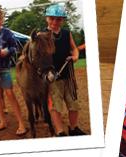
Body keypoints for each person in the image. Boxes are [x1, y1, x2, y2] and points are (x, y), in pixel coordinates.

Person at [0, 8, 28, 136]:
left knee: (9, 94)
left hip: (4, 68)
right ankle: (2, 122)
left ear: (2, 20)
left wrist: (7, 51)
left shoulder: (7, 33)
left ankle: (21, 124)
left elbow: (15, 47)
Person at [44, 3, 86, 136]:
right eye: (52, 18)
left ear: (62, 20)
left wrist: (75, 56)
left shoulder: (67, 33)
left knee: (73, 103)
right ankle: (60, 131)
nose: (55, 22)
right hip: (53, 76)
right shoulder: (42, 34)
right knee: (55, 106)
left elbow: (74, 48)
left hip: (68, 74)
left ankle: (73, 128)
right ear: (47, 18)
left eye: (58, 19)